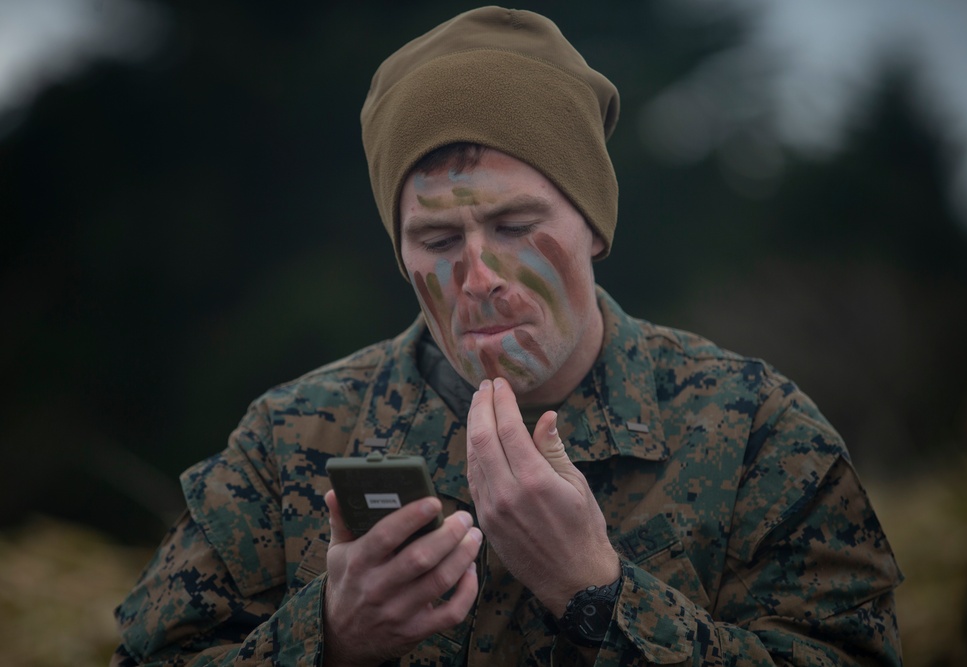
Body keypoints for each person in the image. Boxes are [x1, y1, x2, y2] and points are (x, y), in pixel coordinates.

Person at [112, 7, 904, 666]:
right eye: (437, 239)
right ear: (400, 252)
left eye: (516, 224)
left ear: (593, 224)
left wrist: (599, 595)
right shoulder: (289, 440)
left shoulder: (756, 431)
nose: (479, 274)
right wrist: (331, 635)